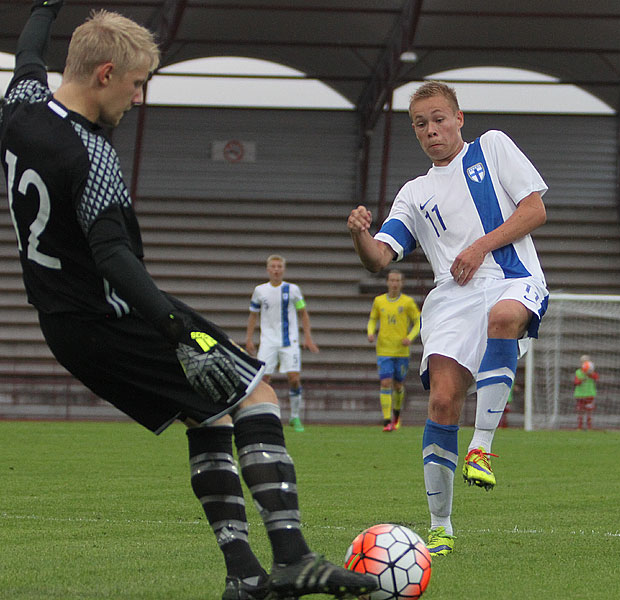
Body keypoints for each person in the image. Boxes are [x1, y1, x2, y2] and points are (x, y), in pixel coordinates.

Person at [0, 4, 376, 599]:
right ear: (103, 74)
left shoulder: (18, 110)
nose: (138, 97)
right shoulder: (90, 153)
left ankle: (244, 575)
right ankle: (293, 559)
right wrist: (178, 329)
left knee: (210, 414)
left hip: (64, 322)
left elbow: (27, 53)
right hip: (112, 315)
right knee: (256, 392)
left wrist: (46, 7)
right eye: (136, 83)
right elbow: (114, 258)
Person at [347, 81, 549, 556]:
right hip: (452, 295)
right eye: (421, 124)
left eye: (439, 119)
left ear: (459, 118)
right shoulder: (414, 193)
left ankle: (481, 446)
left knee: (503, 318)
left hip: (511, 277)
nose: (431, 130)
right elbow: (380, 258)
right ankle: (441, 526)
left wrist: (480, 246)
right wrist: (359, 234)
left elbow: (535, 210)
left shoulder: (492, 147)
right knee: (441, 403)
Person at [245, 255, 319, 433]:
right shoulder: (259, 291)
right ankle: (266, 416)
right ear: (268, 269)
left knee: (294, 378)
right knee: (264, 380)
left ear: (283, 269)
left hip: (289, 340)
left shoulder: (293, 290)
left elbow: (303, 313)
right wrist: (249, 339)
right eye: (273, 266)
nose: (276, 269)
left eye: (279, 266)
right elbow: (253, 316)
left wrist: (307, 337)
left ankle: (294, 416)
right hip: (268, 341)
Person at [367, 269, 420, 431]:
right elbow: (372, 319)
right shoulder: (379, 301)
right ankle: (386, 420)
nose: (395, 283)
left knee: (398, 385)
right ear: (387, 282)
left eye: (398, 280)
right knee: (385, 382)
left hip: (401, 351)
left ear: (402, 283)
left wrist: (409, 338)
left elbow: (418, 323)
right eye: (392, 280)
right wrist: (370, 332)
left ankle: (396, 414)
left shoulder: (408, 303)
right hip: (384, 349)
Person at [573, 355, 599, 430]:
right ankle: (579, 426)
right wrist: (581, 380)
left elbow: (596, 378)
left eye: (586, 361)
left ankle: (589, 426)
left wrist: (590, 374)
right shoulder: (578, 372)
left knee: (589, 411)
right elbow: (576, 382)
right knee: (580, 411)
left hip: (589, 394)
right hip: (580, 395)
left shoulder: (592, 373)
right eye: (583, 362)